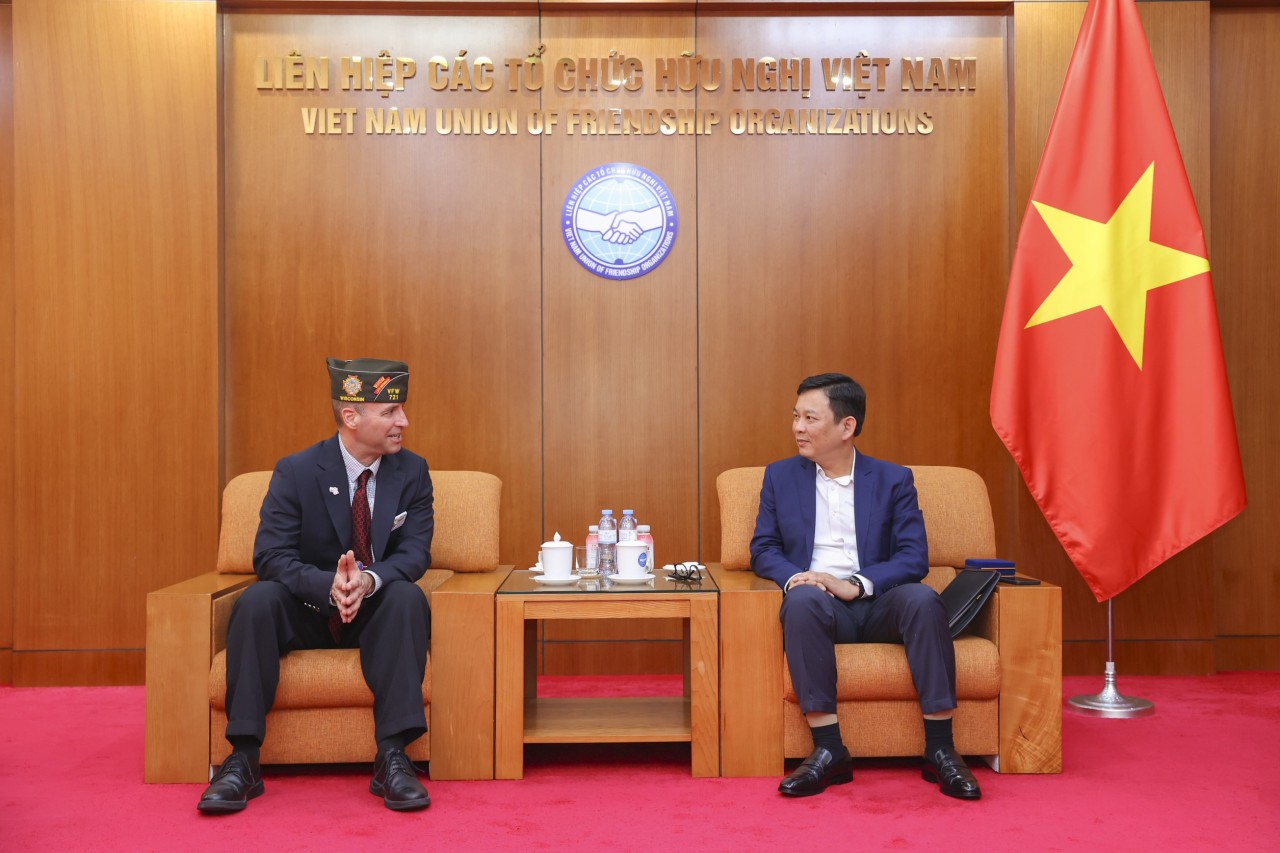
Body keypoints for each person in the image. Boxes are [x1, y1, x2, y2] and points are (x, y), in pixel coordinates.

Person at [198, 357, 435, 813]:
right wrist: (329, 585)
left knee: (406, 596)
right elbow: (270, 555)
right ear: (351, 417)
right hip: (308, 609)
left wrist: (368, 580)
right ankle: (242, 759)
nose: (403, 422)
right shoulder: (297, 471)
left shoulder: (413, 472)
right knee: (257, 600)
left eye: (401, 410)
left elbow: (415, 554)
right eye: (390, 412)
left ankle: (393, 757)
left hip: (376, 612)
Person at [750, 373, 981, 800]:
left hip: (879, 601)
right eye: (796, 416)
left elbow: (913, 557)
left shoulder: (893, 480)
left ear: (847, 426)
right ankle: (829, 750)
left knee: (924, 599)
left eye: (810, 418)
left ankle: (941, 749)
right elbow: (763, 548)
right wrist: (799, 579)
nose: (797, 427)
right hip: (818, 603)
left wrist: (855, 585)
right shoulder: (780, 477)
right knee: (800, 601)